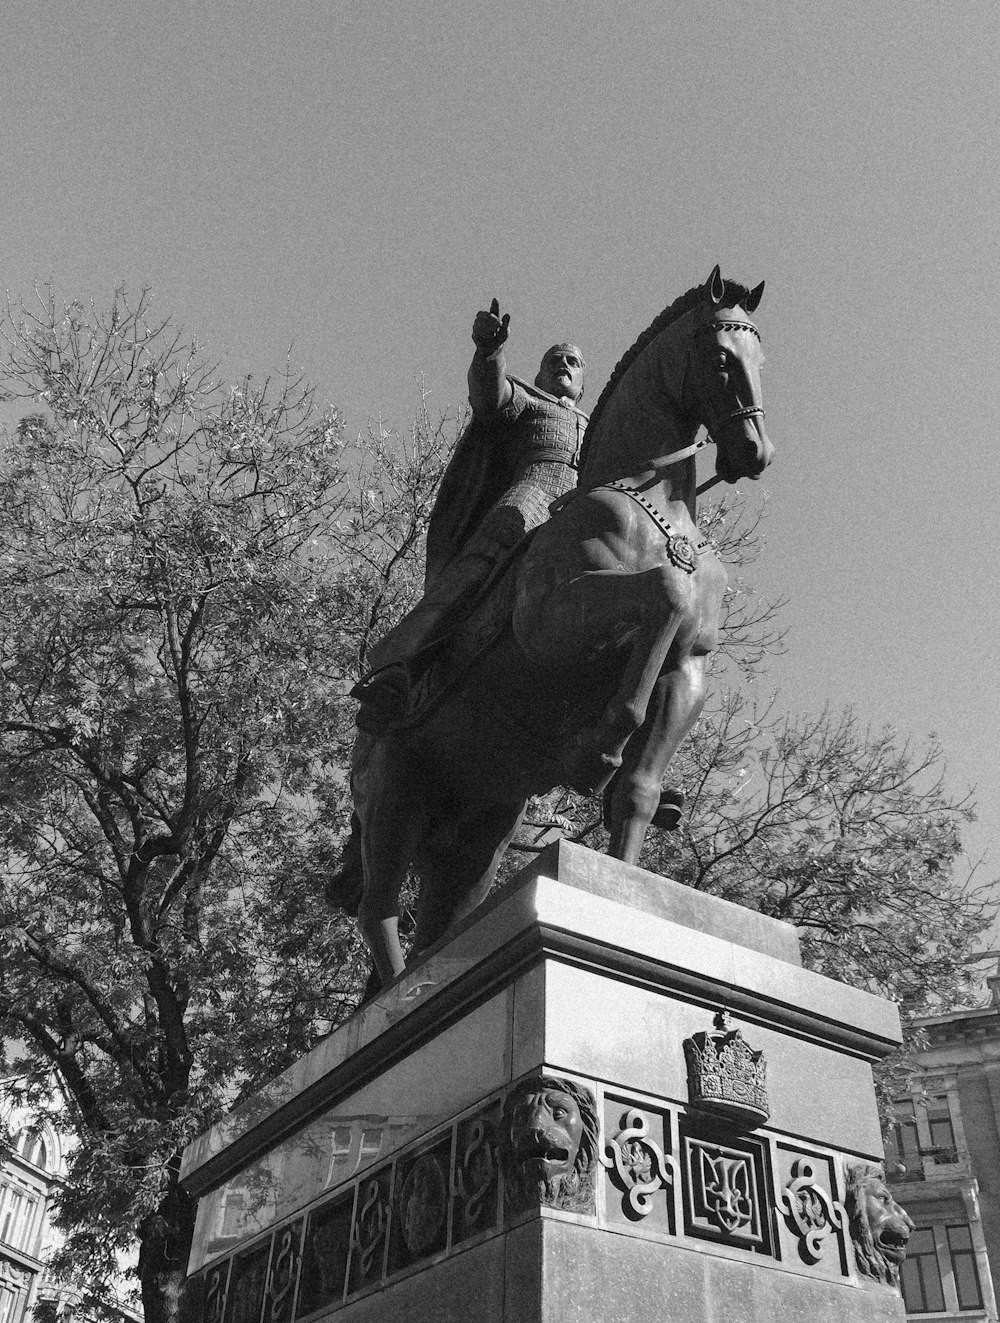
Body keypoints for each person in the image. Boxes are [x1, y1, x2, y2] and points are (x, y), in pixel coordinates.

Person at [355, 299, 588, 714]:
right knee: (478, 566)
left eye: (573, 361)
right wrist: (489, 352)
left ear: (583, 382)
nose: (564, 365)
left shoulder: (598, 426)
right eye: (555, 360)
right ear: (539, 374)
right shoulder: (528, 400)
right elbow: (489, 397)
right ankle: (400, 668)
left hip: (586, 513)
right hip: (530, 498)